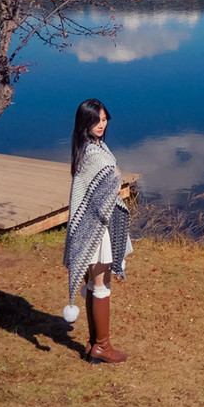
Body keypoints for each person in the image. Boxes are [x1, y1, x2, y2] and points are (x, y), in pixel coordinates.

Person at [62, 99, 132, 363]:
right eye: (95, 120)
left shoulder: (86, 147)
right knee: (102, 284)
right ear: (84, 122)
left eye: (104, 119)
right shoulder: (94, 154)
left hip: (91, 225)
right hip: (98, 229)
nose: (101, 124)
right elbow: (108, 187)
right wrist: (115, 179)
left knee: (93, 283)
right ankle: (102, 346)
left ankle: (93, 344)